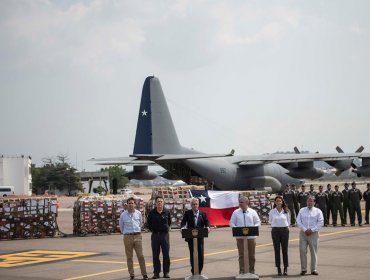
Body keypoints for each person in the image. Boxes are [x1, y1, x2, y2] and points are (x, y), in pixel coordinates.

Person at [230, 196, 261, 275]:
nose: (240, 204)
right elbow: (231, 222)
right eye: (239, 202)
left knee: (252, 255)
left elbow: (258, 222)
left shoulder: (252, 212)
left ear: (247, 203)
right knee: (241, 255)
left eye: (241, 202)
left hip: (251, 237)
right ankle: (242, 271)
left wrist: (253, 228)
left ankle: (252, 271)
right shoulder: (236, 212)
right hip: (240, 237)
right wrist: (236, 229)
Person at [119, 197, 148, 280]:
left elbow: (140, 224)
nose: (131, 205)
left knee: (141, 256)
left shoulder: (138, 213)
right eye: (129, 203)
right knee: (129, 257)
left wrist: (136, 232)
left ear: (135, 204)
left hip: (137, 236)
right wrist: (127, 233)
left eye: (132, 203)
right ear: (127, 205)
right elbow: (121, 227)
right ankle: (131, 274)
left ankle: (144, 274)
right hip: (127, 237)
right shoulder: (123, 215)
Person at [181, 198, 209, 275]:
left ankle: (199, 271)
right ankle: (194, 271)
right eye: (193, 204)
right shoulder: (187, 213)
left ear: (198, 205)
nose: (195, 205)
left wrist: (208, 228)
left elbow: (207, 223)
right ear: (191, 205)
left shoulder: (203, 214)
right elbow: (183, 223)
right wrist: (182, 228)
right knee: (192, 254)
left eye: (196, 204)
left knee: (200, 254)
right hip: (190, 238)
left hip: (200, 237)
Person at [296, 196, 324, 276]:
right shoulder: (302, 210)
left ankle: (313, 269)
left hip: (314, 233)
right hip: (303, 233)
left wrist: (312, 230)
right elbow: (298, 221)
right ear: (306, 202)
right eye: (308, 201)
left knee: (313, 252)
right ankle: (303, 269)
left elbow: (320, 222)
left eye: (311, 201)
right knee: (302, 250)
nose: (310, 202)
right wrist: (305, 230)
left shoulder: (318, 211)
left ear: (314, 202)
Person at [147, 196, 172, 279]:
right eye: (158, 201)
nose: (160, 203)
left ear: (163, 203)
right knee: (155, 255)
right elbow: (149, 224)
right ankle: (156, 273)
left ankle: (166, 272)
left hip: (165, 236)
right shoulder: (152, 213)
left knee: (166, 254)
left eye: (161, 201)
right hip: (155, 235)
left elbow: (169, 222)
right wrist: (154, 230)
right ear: (156, 203)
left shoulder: (167, 212)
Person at [268, 196, 290, 276]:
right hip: (275, 231)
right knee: (276, 250)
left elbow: (288, 222)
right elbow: (270, 221)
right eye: (277, 201)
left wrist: (286, 229)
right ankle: (278, 268)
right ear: (275, 202)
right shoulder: (272, 211)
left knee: (285, 250)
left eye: (280, 201)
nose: (278, 202)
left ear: (282, 202)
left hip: (284, 230)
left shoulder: (286, 211)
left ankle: (285, 268)